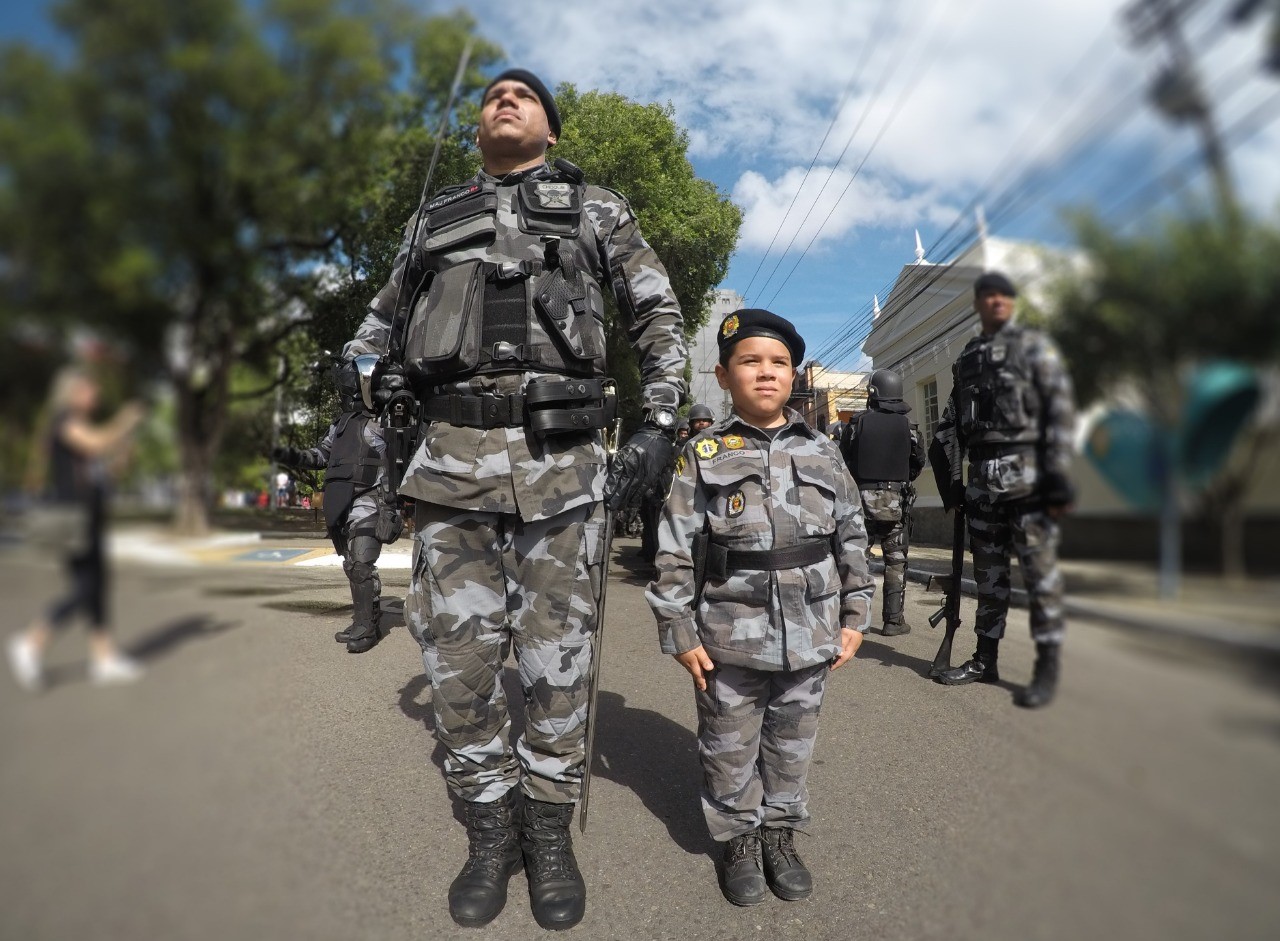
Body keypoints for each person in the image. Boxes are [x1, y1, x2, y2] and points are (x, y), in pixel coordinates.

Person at [343, 68, 686, 929]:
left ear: (551, 131)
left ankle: (549, 825)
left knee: (557, 664)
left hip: (563, 466)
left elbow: (657, 314)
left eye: (525, 95)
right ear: (478, 128)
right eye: (494, 94)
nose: (506, 98)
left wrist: (661, 422)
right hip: (450, 466)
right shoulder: (433, 221)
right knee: (457, 664)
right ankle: (490, 825)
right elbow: (370, 334)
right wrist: (373, 378)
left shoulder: (597, 208)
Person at [647, 309, 873, 907]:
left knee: (792, 742)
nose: (766, 373)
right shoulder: (702, 453)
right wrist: (678, 628)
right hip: (727, 634)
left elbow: (851, 536)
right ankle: (738, 838)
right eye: (750, 362)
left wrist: (855, 616)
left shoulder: (825, 450)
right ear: (723, 376)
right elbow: (672, 548)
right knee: (728, 743)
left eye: (778, 363)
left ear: (794, 375)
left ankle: (781, 832)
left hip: (811, 629)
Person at [932, 271, 1076, 708]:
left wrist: (1057, 478)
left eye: (1003, 296)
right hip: (980, 483)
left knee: (1039, 574)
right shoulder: (967, 357)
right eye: (988, 296)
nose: (996, 302)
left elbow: (1059, 411)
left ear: (1012, 303)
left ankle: (1047, 665)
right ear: (978, 304)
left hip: (1028, 477)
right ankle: (984, 659)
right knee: (989, 577)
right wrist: (954, 486)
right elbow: (951, 427)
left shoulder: (1034, 349)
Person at [7, 368, 145, 690]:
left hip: (91, 518)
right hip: (73, 521)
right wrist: (125, 420)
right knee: (85, 589)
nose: (94, 393)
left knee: (97, 586)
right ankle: (31, 642)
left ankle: (104, 658)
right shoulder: (63, 422)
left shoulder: (83, 426)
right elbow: (97, 443)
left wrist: (121, 456)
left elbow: (104, 472)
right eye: (88, 388)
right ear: (71, 393)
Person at [273, 360, 400, 654]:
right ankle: (365, 618)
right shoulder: (340, 424)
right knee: (352, 564)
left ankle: (366, 627)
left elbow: (401, 459)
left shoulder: (385, 420)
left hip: (371, 498)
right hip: (341, 499)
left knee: (360, 562)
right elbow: (320, 455)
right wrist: (288, 455)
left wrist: (395, 503)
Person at [839, 369, 926, 636]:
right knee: (896, 561)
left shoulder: (855, 424)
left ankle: (856, 622)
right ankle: (893, 621)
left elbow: (842, 462)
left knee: (857, 561)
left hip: (860, 504)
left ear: (873, 393)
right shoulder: (909, 428)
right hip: (896, 504)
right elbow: (918, 462)